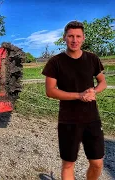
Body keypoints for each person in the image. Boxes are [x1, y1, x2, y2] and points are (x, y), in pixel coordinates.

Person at [42, 21, 107, 180]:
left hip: (92, 119)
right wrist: (79, 95)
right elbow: (50, 91)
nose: (74, 40)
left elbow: (103, 82)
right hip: (68, 120)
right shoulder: (55, 62)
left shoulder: (92, 59)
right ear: (64, 37)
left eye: (78, 36)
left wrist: (94, 91)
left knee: (97, 162)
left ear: (83, 38)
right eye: (70, 36)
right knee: (68, 164)